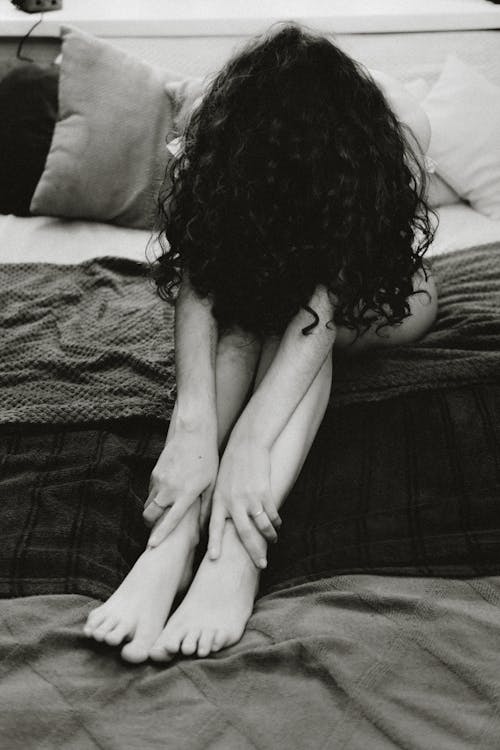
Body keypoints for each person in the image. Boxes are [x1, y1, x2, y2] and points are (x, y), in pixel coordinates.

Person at [84, 23, 437, 663]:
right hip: (278, 285)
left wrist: (246, 450)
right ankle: (171, 543)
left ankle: (235, 555)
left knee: (294, 330)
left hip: (378, 299)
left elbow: (321, 312)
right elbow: (202, 277)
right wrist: (190, 431)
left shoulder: (379, 142)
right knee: (243, 327)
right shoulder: (211, 126)